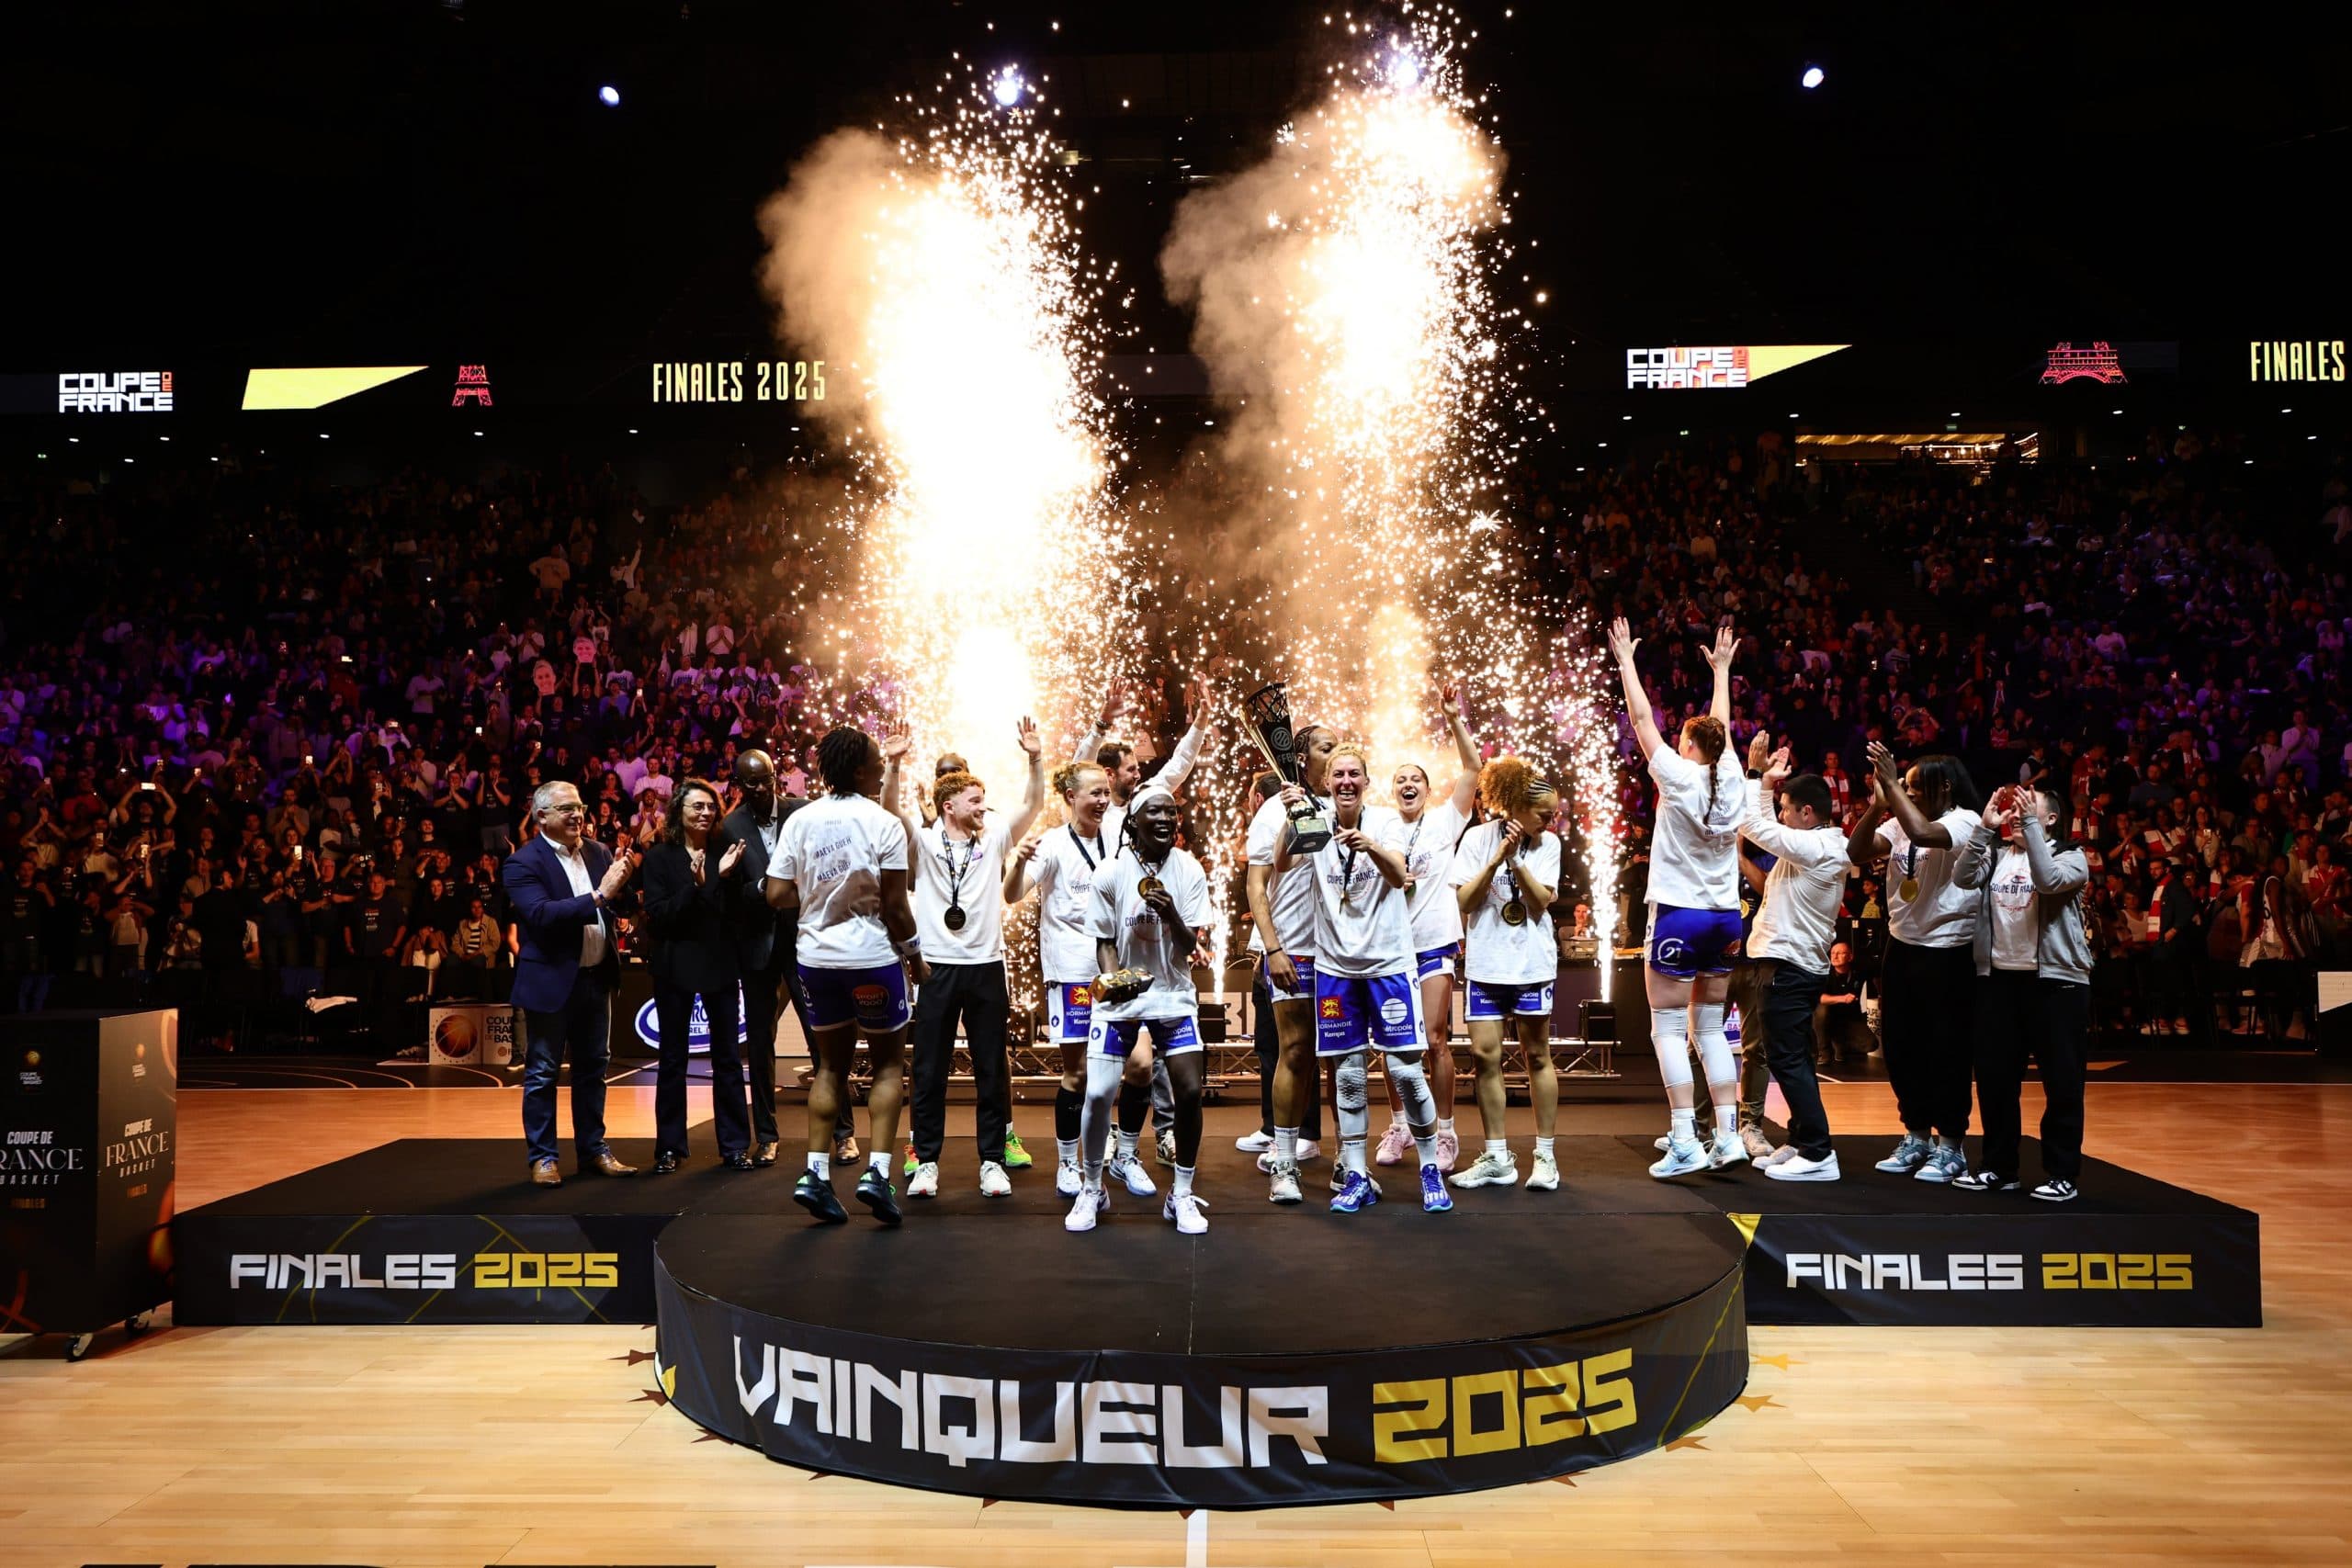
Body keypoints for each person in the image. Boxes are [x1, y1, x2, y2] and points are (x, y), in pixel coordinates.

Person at [1273, 744, 1452, 1214]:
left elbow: (1400, 878)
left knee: (1406, 1074)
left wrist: (1370, 846)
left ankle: (1431, 1169)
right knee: (1348, 1076)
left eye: (1355, 774)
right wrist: (1289, 817)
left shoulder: (1386, 823)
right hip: (1335, 968)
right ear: (1328, 783)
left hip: (1388, 965)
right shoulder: (1314, 821)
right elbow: (1280, 865)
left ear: (1366, 782)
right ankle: (1355, 1175)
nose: (1347, 781)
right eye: (1338, 775)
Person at [1606, 618, 1751, 1179]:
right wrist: (1722, 671)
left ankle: (1687, 1140)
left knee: (1667, 1029)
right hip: (1725, 918)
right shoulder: (1733, 774)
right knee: (1710, 1027)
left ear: (1688, 745)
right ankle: (1728, 1135)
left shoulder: (1676, 774)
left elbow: (1642, 719)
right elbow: (1725, 732)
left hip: (1679, 916)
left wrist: (1625, 662)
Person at [764, 726, 922, 1226]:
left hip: (815, 961)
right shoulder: (883, 822)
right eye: (877, 760)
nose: (881, 766)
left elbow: (774, 893)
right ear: (859, 768)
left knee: (830, 1067)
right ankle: (877, 1174)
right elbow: (896, 907)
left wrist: (814, 902)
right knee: (888, 1067)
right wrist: (917, 957)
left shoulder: (801, 819)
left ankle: (814, 1174)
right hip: (872, 958)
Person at [880, 719, 1044, 1199]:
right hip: (934, 967)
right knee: (929, 1069)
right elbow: (891, 811)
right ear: (949, 806)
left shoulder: (993, 839)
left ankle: (992, 1160)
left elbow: (1033, 804)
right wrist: (892, 764)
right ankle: (926, 1161)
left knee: (991, 1067)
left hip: (986, 966)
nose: (983, 806)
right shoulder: (926, 841)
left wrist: (1035, 758)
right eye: (975, 800)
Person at [1073, 671, 1215, 1165]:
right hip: (1114, 933)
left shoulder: (1153, 802)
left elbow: (1178, 766)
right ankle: (1113, 1147)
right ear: (1109, 776)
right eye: (1130, 768)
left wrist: (1199, 723)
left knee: (1162, 1065)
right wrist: (1098, 725)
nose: (1140, 773)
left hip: (1158, 946)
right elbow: (1077, 771)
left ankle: (1160, 1137)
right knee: (1130, 1065)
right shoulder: (1104, 813)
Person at [1067, 784, 1215, 1235]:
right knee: (1096, 1094)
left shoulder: (1188, 870)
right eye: (1155, 812)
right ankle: (1093, 1187)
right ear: (1133, 822)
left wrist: (1171, 916)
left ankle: (1182, 1194)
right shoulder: (1111, 873)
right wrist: (1115, 985)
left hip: (1172, 996)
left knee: (1189, 1090)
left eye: (1172, 812)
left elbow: (1191, 948)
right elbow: (1105, 941)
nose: (1167, 819)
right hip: (1123, 999)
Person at [1847, 741, 1984, 1183]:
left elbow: (1926, 834)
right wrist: (1876, 805)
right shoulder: (1900, 822)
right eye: (1902, 785)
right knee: (1903, 1048)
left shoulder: (1965, 820)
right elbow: (1857, 851)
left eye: (1912, 786)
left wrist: (1892, 787)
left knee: (1946, 1049)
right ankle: (1916, 1135)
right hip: (1901, 945)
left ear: (1943, 786)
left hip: (1948, 948)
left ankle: (1951, 1145)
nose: (1905, 791)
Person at [1951, 782, 2093, 1201]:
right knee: (1995, 1081)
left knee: (2062, 1084)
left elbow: (2048, 881)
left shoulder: (2072, 857)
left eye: (2028, 810)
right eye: (2014, 810)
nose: (2016, 816)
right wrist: (1983, 827)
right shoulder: (1996, 855)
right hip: (1999, 981)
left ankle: (2062, 1174)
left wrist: (2028, 826)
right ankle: (1999, 1167)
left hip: (2056, 983)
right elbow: (1961, 878)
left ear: (2050, 819)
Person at [1004, 759, 1136, 1198]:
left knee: (1132, 1068)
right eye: (1094, 793)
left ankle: (1122, 1153)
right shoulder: (1052, 844)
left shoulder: (1118, 837)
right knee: (1077, 1073)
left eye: (1105, 792)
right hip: (1071, 974)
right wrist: (1016, 863)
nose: (1102, 800)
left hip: (1115, 970)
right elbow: (1012, 895)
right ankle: (1066, 1162)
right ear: (1070, 799)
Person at [503, 781, 637, 1187]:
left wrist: (625, 877)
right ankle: (543, 1158)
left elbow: (623, 904)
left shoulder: (597, 852)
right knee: (543, 1073)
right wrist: (600, 895)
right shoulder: (522, 863)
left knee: (593, 1069)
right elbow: (542, 915)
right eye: (566, 809)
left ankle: (594, 1150)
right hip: (550, 984)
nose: (578, 814)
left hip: (596, 978)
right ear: (541, 816)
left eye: (579, 806)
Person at [1374, 682, 1480, 1175]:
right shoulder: (1382, 827)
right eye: (1400, 780)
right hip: (1391, 947)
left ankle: (1445, 1132)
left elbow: (1473, 770)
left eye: (1416, 778)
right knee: (1393, 1042)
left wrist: (1454, 717)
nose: (1408, 784)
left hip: (1435, 940)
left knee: (1435, 1039)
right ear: (1392, 791)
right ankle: (1398, 1124)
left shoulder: (1444, 821)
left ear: (1428, 788)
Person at [1732, 739, 1849, 1180]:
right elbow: (1763, 822)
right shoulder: (1811, 844)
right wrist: (1764, 783)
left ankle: (1818, 1153)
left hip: (1789, 968)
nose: (1780, 815)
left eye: (1786, 808)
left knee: (1786, 1060)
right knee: (1794, 1056)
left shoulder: (1818, 848)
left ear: (1807, 813)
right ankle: (1801, 1140)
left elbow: (1753, 824)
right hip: (1788, 965)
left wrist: (1753, 777)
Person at [1447, 756, 1564, 1190]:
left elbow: (1538, 902)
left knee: (1537, 1056)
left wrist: (1517, 862)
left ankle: (1546, 1156)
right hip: (1487, 964)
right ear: (1514, 806)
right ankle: (1497, 1157)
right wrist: (1497, 857)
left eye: (1553, 813)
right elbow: (1465, 901)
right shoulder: (1477, 839)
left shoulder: (1548, 845)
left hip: (1531, 964)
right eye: (1544, 813)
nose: (1551, 820)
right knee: (1484, 1059)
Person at [637, 778, 752, 1173]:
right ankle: (669, 1148)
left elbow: (734, 915)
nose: (705, 813)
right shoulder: (658, 857)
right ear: (678, 812)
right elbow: (661, 915)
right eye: (696, 807)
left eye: (710, 807)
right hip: (674, 966)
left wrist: (726, 878)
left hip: (719, 963)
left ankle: (735, 1146)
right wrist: (698, 884)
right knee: (672, 1061)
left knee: (728, 1061)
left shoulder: (727, 852)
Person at [1247, 722, 1341, 1202]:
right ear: (1302, 757)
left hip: (1344, 952)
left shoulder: (1350, 809)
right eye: (1328, 747)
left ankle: (1353, 1164)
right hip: (1296, 948)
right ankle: (1284, 1163)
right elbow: (1258, 884)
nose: (1337, 755)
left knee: (1344, 1060)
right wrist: (1273, 947)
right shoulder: (1274, 808)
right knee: (1296, 1052)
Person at [1815, 940, 1875, 1065]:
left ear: (1850, 957)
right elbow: (1818, 998)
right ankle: (1824, 1052)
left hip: (1847, 1020)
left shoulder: (1858, 970)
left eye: (1840, 953)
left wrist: (1880, 995)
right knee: (1822, 1009)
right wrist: (1842, 998)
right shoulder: (1824, 972)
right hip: (1825, 1020)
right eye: (1832, 953)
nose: (1835, 957)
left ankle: (1839, 1044)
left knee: (1871, 1044)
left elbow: (1876, 976)